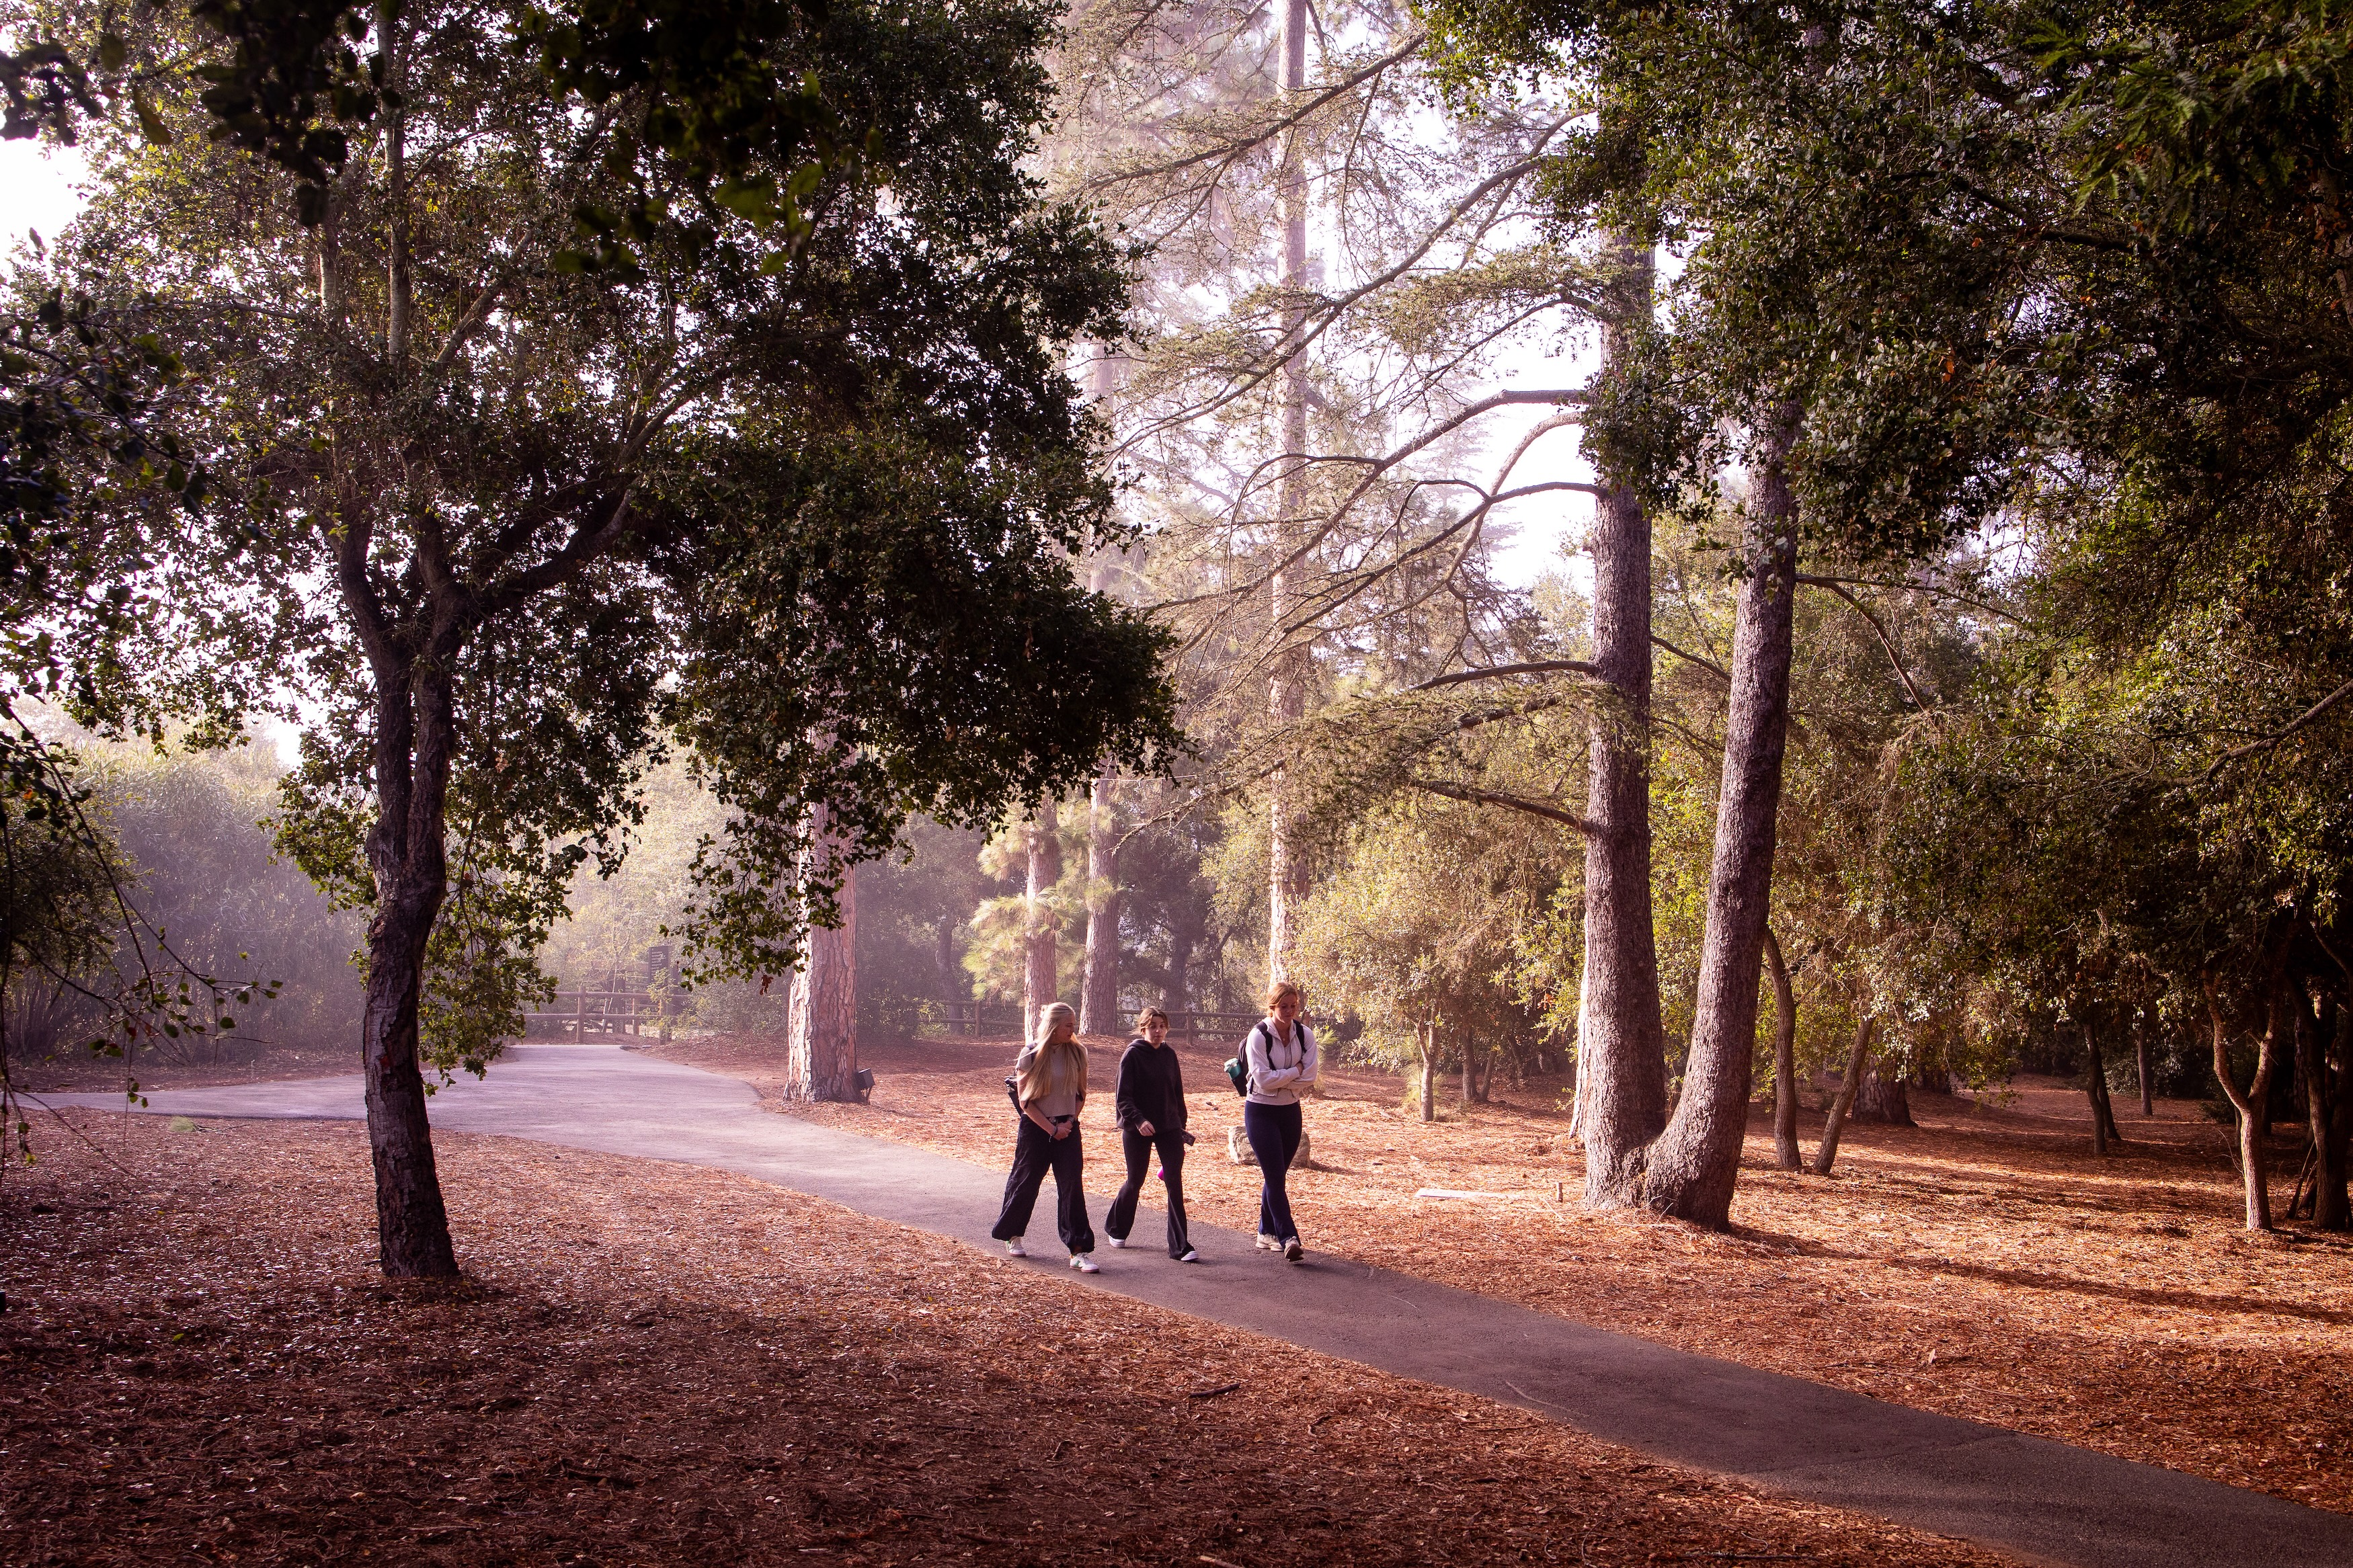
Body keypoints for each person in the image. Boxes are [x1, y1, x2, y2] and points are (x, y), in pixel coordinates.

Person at [990, 1002, 1100, 1272]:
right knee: (1025, 1182)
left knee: (1072, 1186)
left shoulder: (1078, 1053)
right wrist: (1051, 1130)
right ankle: (1011, 1234)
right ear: (1053, 1026)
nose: (1073, 1030)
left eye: (1074, 1025)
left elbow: (1081, 1094)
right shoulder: (1030, 1054)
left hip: (1068, 1127)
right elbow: (1025, 1101)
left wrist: (1068, 1123)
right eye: (1069, 1025)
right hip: (1036, 1129)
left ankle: (1078, 1251)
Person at [1106, 1007, 1199, 1262]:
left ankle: (1180, 1247)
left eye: (1162, 1026)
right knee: (1135, 1180)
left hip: (1169, 1127)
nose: (1158, 1031)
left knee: (1174, 1183)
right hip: (1138, 1128)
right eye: (1153, 1026)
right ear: (1143, 1029)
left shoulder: (1170, 1055)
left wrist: (1180, 1124)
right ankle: (1116, 1227)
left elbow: (1177, 1093)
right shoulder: (1133, 1055)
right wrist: (1139, 1120)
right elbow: (1122, 1097)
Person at [1239, 981, 1318, 1262]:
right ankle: (1288, 1237)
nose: (1289, 1011)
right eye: (1283, 1007)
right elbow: (1260, 1079)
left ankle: (1266, 1232)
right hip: (1260, 1111)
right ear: (1272, 1007)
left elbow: (1310, 1077)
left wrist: (1283, 1078)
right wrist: (1294, 1072)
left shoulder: (1305, 1034)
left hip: (1290, 1111)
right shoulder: (1258, 1036)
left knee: (1278, 1176)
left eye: (1293, 1006)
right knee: (1274, 1175)